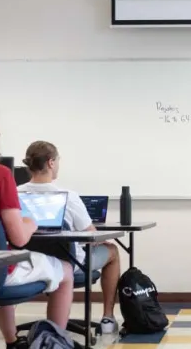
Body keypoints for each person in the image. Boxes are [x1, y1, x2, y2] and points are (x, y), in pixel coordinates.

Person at [0, 110, 74, 349]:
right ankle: (53, 348)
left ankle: (14, 342)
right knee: (66, 271)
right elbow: (20, 238)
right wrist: (30, 222)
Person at [18, 141, 121, 334]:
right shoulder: (67, 196)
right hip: (68, 264)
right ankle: (108, 318)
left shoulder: (13, 193)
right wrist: (99, 239)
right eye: (57, 161)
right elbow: (90, 234)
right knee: (112, 251)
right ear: (50, 163)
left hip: (26, 264)